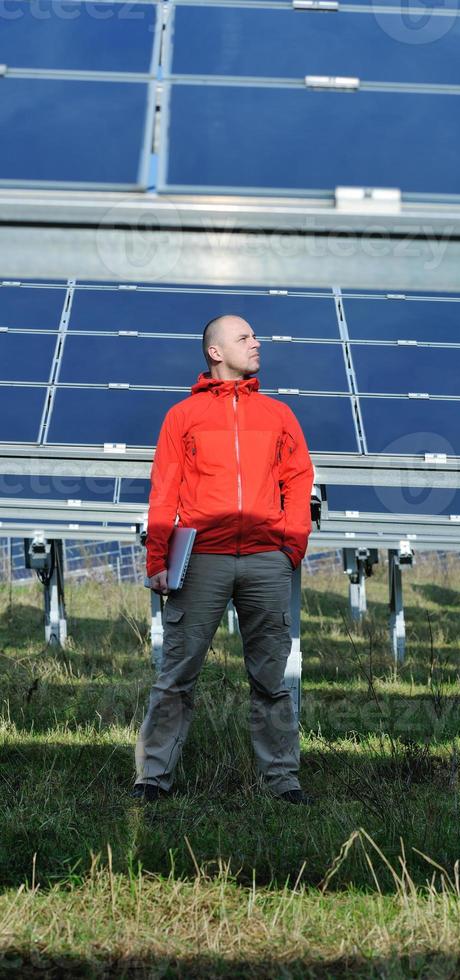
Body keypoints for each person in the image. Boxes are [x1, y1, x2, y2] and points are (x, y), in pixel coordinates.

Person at [132, 314, 315, 804]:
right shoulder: (183, 417)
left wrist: (291, 546)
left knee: (273, 678)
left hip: (265, 560)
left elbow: (299, 480)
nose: (257, 343)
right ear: (215, 352)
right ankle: (153, 778)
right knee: (177, 674)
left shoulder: (278, 416)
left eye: (254, 336)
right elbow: (164, 491)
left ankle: (282, 781)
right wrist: (158, 560)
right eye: (245, 337)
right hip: (201, 561)